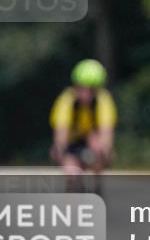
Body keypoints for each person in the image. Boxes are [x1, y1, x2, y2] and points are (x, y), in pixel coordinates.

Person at [49, 59, 117, 187]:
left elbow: (107, 134)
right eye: (82, 88)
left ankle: (96, 187)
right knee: (72, 173)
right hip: (72, 143)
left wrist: (103, 152)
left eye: (91, 89)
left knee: (100, 151)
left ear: (97, 89)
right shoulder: (66, 100)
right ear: (75, 86)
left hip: (93, 143)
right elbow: (61, 134)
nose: (86, 94)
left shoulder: (103, 100)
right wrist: (61, 152)